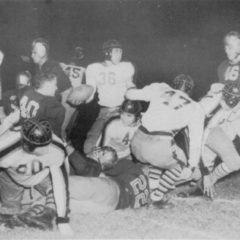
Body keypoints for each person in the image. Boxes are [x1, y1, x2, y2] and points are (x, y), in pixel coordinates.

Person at [125, 75, 205, 203]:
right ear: (190, 91)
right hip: (158, 145)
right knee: (179, 162)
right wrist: (191, 166)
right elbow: (196, 140)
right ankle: (157, 197)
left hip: (136, 143)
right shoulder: (195, 107)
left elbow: (130, 94)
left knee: (164, 156)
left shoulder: (161, 87)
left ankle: (152, 187)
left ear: (173, 85)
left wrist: (129, 84)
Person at [0, 118, 73, 236]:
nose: (47, 149)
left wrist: (62, 220)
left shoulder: (57, 148)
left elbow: (61, 184)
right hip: (11, 177)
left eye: (47, 143)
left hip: (42, 176)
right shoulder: (4, 147)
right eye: (41, 147)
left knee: (55, 204)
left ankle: (41, 211)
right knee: (9, 212)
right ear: (25, 145)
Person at [83, 39, 136, 154]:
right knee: (89, 146)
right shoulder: (93, 68)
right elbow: (90, 93)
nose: (120, 54)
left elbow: (129, 85)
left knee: (126, 142)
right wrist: (82, 98)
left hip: (123, 110)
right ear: (107, 53)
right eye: (116, 51)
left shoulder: (126, 66)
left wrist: (133, 90)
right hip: (104, 112)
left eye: (121, 51)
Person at [68, 146, 150, 212]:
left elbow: (98, 167)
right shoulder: (145, 196)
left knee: (65, 185)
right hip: (111, 208)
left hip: (112, 189)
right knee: (64, 203)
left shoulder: (130, 166)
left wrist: (92, 157)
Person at [199, 82, 240, 199]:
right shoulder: (209, 108)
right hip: (204, 132)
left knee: (199, 177)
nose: (230, 106)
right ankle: (206, 180)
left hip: (220, 128)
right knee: (197, 173)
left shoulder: (228, 95)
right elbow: (198, 143)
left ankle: (202, 183)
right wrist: (206, 174)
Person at [31, 38, 73, 139]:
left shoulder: (53, 68)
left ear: (43, 53)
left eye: (34, 52)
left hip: (65, 105)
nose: (32, 55)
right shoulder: (40, 65)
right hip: (52, 104)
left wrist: (62, 115)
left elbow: (67, 91)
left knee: (56, 135)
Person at [19, 73, 65, 138]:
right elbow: (54, 132)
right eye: (55, 84)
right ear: (47, 86)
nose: (56, 88)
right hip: (36, 138)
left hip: (24, 128)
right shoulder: (55, 106)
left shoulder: (28, 92)